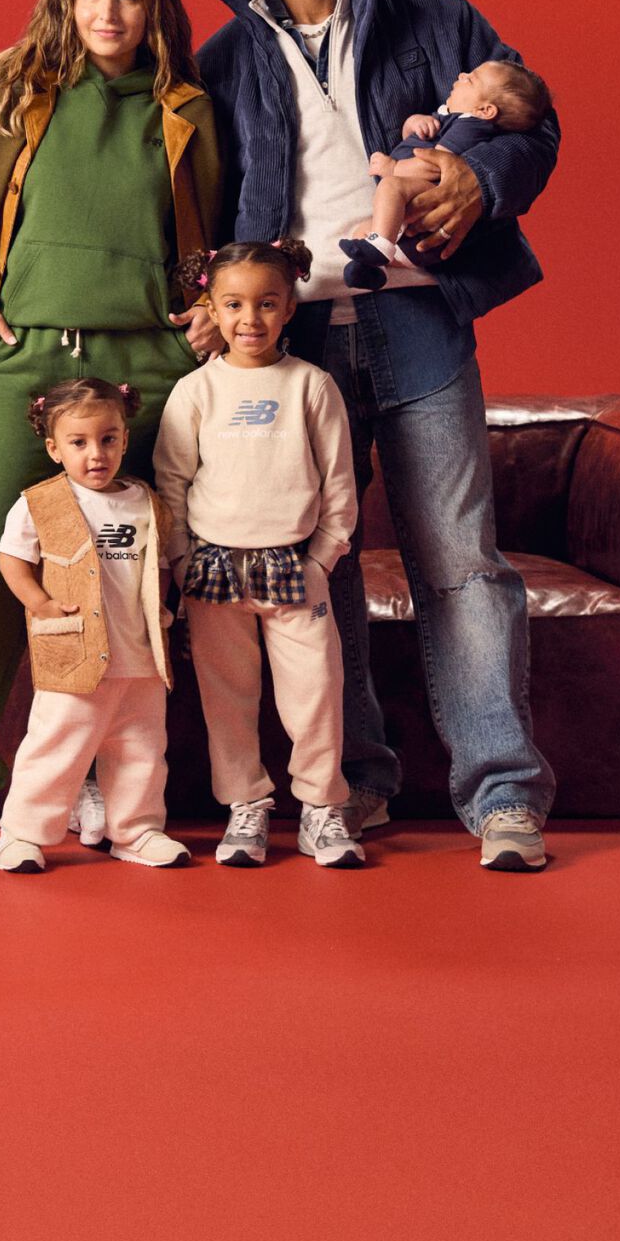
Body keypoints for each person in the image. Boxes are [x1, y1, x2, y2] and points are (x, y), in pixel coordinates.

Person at [195, 0, 557, 872]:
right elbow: (201, 196)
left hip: (419, 317)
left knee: (462, 561)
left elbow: (531, 122)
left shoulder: (437, 19)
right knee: (321, 563)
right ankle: (353, 784)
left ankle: (502, 799)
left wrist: (479, 184)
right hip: (293, 336)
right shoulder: (225, 57)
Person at [0, 0, 219, 869]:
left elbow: (216, 237)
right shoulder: (4, 96)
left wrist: (199, 314)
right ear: (64, 1)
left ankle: (91, 771)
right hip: (26, 355)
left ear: (153, 5)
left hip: (145, 367)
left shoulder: (191, 110)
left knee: (137, 571)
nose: (107, 14)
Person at [153, 239, 364, 871]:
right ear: (210, 309)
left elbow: (340, 484)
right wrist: (183, 562)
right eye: (235, 304)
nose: (251, 319)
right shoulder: (194, 392)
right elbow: (171, 483)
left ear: (289, 307)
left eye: (268, 303)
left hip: (295, 568)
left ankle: (322, 809)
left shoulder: (311, 387)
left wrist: (322, 558)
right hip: (214, 570)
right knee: (228, 696)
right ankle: (245, 806)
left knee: (317, 693)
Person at [0, 377, 187, 873]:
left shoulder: (144, 501)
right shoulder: (41, 502)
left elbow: (158, 563)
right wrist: (39, 603)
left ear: (124, 438)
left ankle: (137, 831)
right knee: (56, 743)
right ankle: (21, 834)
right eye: (78, 443)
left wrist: (163, 609)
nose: (95, 454)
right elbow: (11, 560)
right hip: (74, 651)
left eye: (107, 439)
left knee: (142, 748)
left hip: (140, 653)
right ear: (54, 449)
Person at [340, 60, 553, 288]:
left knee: (390, 186)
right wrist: (414, 124)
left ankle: (381, 247)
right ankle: (374, 268)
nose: (461, 75)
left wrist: (391, 168)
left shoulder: (471, 125)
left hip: (431, 206)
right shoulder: (454, 118)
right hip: (418, 236)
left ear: (485, 110)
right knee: (363, 231)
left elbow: (435, 165)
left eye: (470, 80)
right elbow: (414, 142)